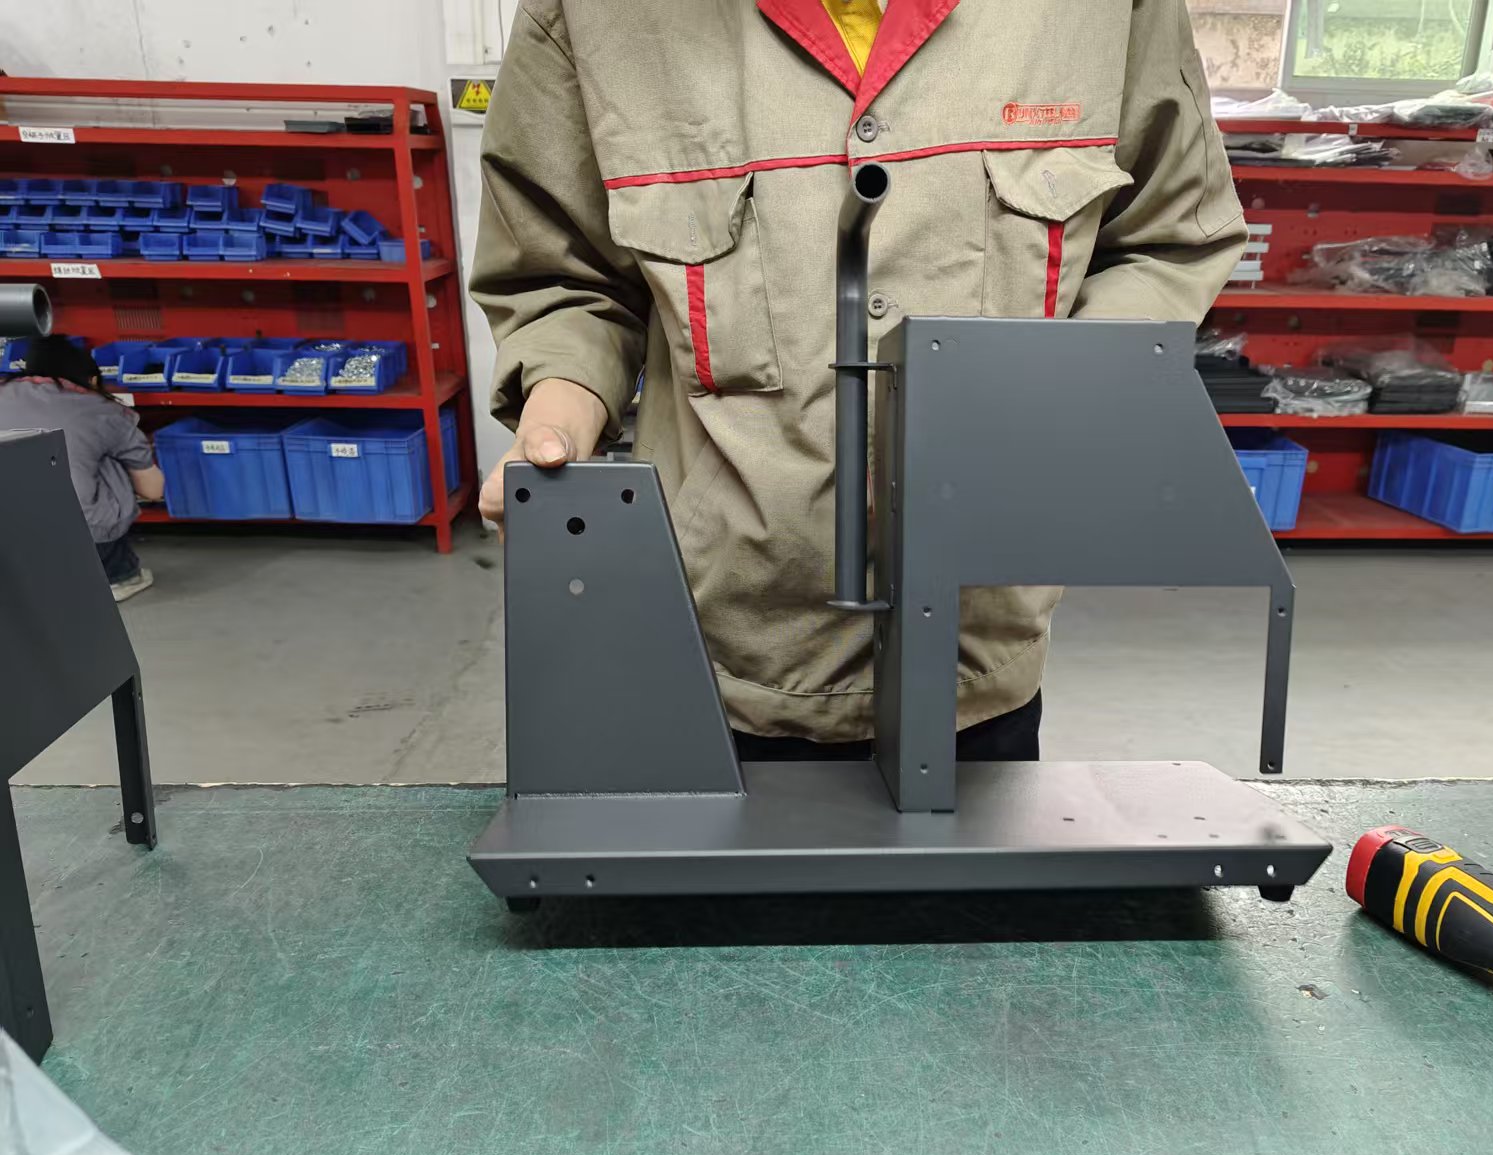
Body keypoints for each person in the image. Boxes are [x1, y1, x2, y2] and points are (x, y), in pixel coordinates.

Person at [472, 0, 1245, 762]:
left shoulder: (1106, 15)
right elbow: (565, 277)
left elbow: (1166, 238)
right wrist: (557, 416)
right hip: (715, 658)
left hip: (978, 656)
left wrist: (1048, 416)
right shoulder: (593, 17)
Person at [0, 336, 164, 600]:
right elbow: (153, 490)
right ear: (92, 380)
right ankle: (118, 577)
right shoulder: (104, 411)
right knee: (105, 459)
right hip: (81, 539)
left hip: (9, 535)